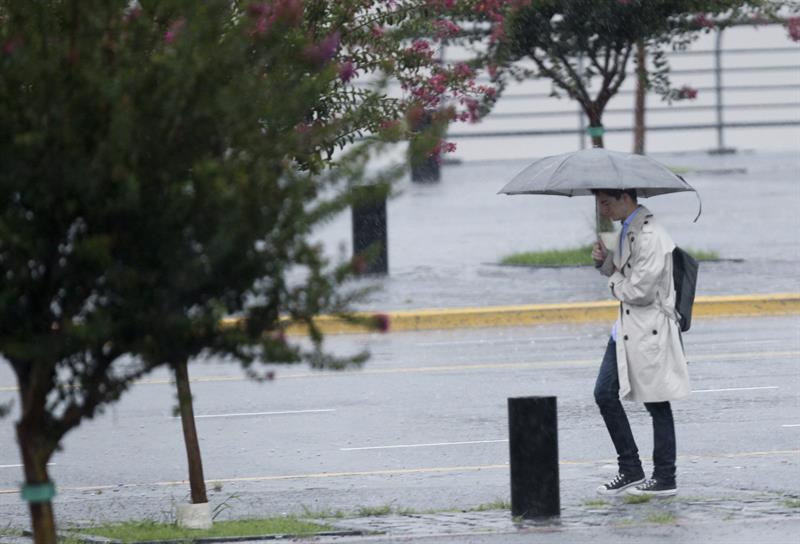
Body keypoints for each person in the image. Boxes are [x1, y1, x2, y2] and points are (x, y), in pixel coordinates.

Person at [590, 189, 690, 497]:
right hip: (627, 328)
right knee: (604, 393)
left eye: (606, 202)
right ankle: (631, 469)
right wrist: (605, 262)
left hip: (649, 330)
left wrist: (612, 280)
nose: (602, 209)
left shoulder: (650, 236)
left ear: (625, 198)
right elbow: (624, 273)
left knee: (657, 402)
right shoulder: (629, 230)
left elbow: (639, 291)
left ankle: (665, 477)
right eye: (598, 203)